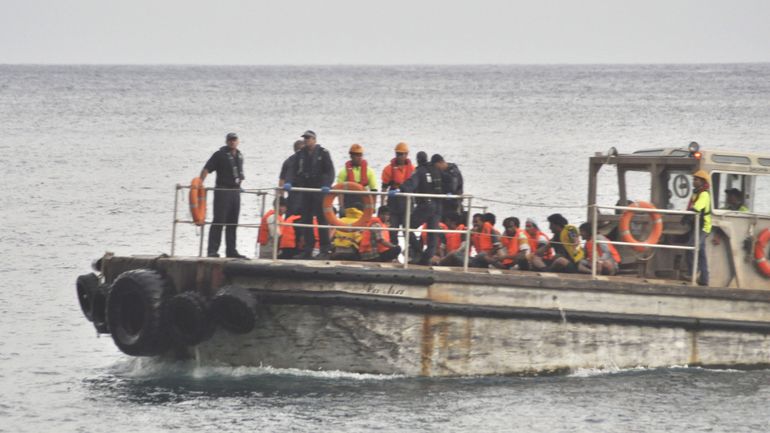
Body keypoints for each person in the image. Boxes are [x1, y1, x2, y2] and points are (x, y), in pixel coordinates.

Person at [284, 130, 335, 260]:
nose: (306, 140)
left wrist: (327, 184)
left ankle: (325, 249)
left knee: (321, 219)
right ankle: (308, 248)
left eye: (309, 138)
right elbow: (292, 169)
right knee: (306, 219)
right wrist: (288, 182)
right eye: (305, 138)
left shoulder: (323, 153)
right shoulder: (300, 155)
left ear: (314, 139)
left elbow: (330, 170)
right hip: (306, 190)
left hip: (319, 190)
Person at [200, 132, 246, 258]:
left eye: (234, 140)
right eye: (230, 140)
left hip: (235, 192)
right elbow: (206, 169)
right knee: (219, 221)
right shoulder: (219, 155)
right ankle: (212, 250)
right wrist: (199, 184)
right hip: (222, 191)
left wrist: (239, 186)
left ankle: (231, 250)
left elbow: (239, 175)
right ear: (226, 141)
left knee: (233, 222)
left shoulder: (239, 155)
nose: (232, 142)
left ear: (238, 141)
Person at [398, 153, 447, 265]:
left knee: (407, 227)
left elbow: (412, 184)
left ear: (418, 160)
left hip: (425, 206)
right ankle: (425, 259)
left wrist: (400, 189)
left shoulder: (419, 171)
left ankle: (418, 251)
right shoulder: (436, 171)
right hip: (438, 206)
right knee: (432, 235)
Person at [381, 142, 415, 233]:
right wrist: (382, 205)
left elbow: (416, 187)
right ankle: (393, 246)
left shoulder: (412, 169)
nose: (399, 156)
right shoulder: (388, 169)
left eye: (401, 154)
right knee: (392, 229)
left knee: (407, 229)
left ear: (406, 154)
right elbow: (384, 188)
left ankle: (410, 246)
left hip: (407, 202)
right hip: (393, 203)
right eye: (397, 154)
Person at [686, 170, 712, 286]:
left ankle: (693, 272)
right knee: (701, 253)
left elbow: (697, 208)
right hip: (697, 226)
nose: (693, 181)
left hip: (703, 227)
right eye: (693, 179)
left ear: (702, 182)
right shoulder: (696, 193)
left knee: (691, 247)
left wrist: (689, 212)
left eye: (696, 180)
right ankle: (704, 279)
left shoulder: (704, 194)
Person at [336, 143, 378, 212]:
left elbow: (374, 190)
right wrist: (341, 206)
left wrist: (373, 207)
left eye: (360, 155)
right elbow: (339, 191)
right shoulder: (343, 172)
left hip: (363, 201)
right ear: (351, 156)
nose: (359, 157)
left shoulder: (369, 171)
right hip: (349, 200)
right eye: (357, 155)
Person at [279, 139, 305, 215]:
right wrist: (282, 199)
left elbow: (281, 181)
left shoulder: (288, 161)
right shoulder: (289, 161)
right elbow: (282, 180)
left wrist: (282, 197)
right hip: (294, 194)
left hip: (304, 193)